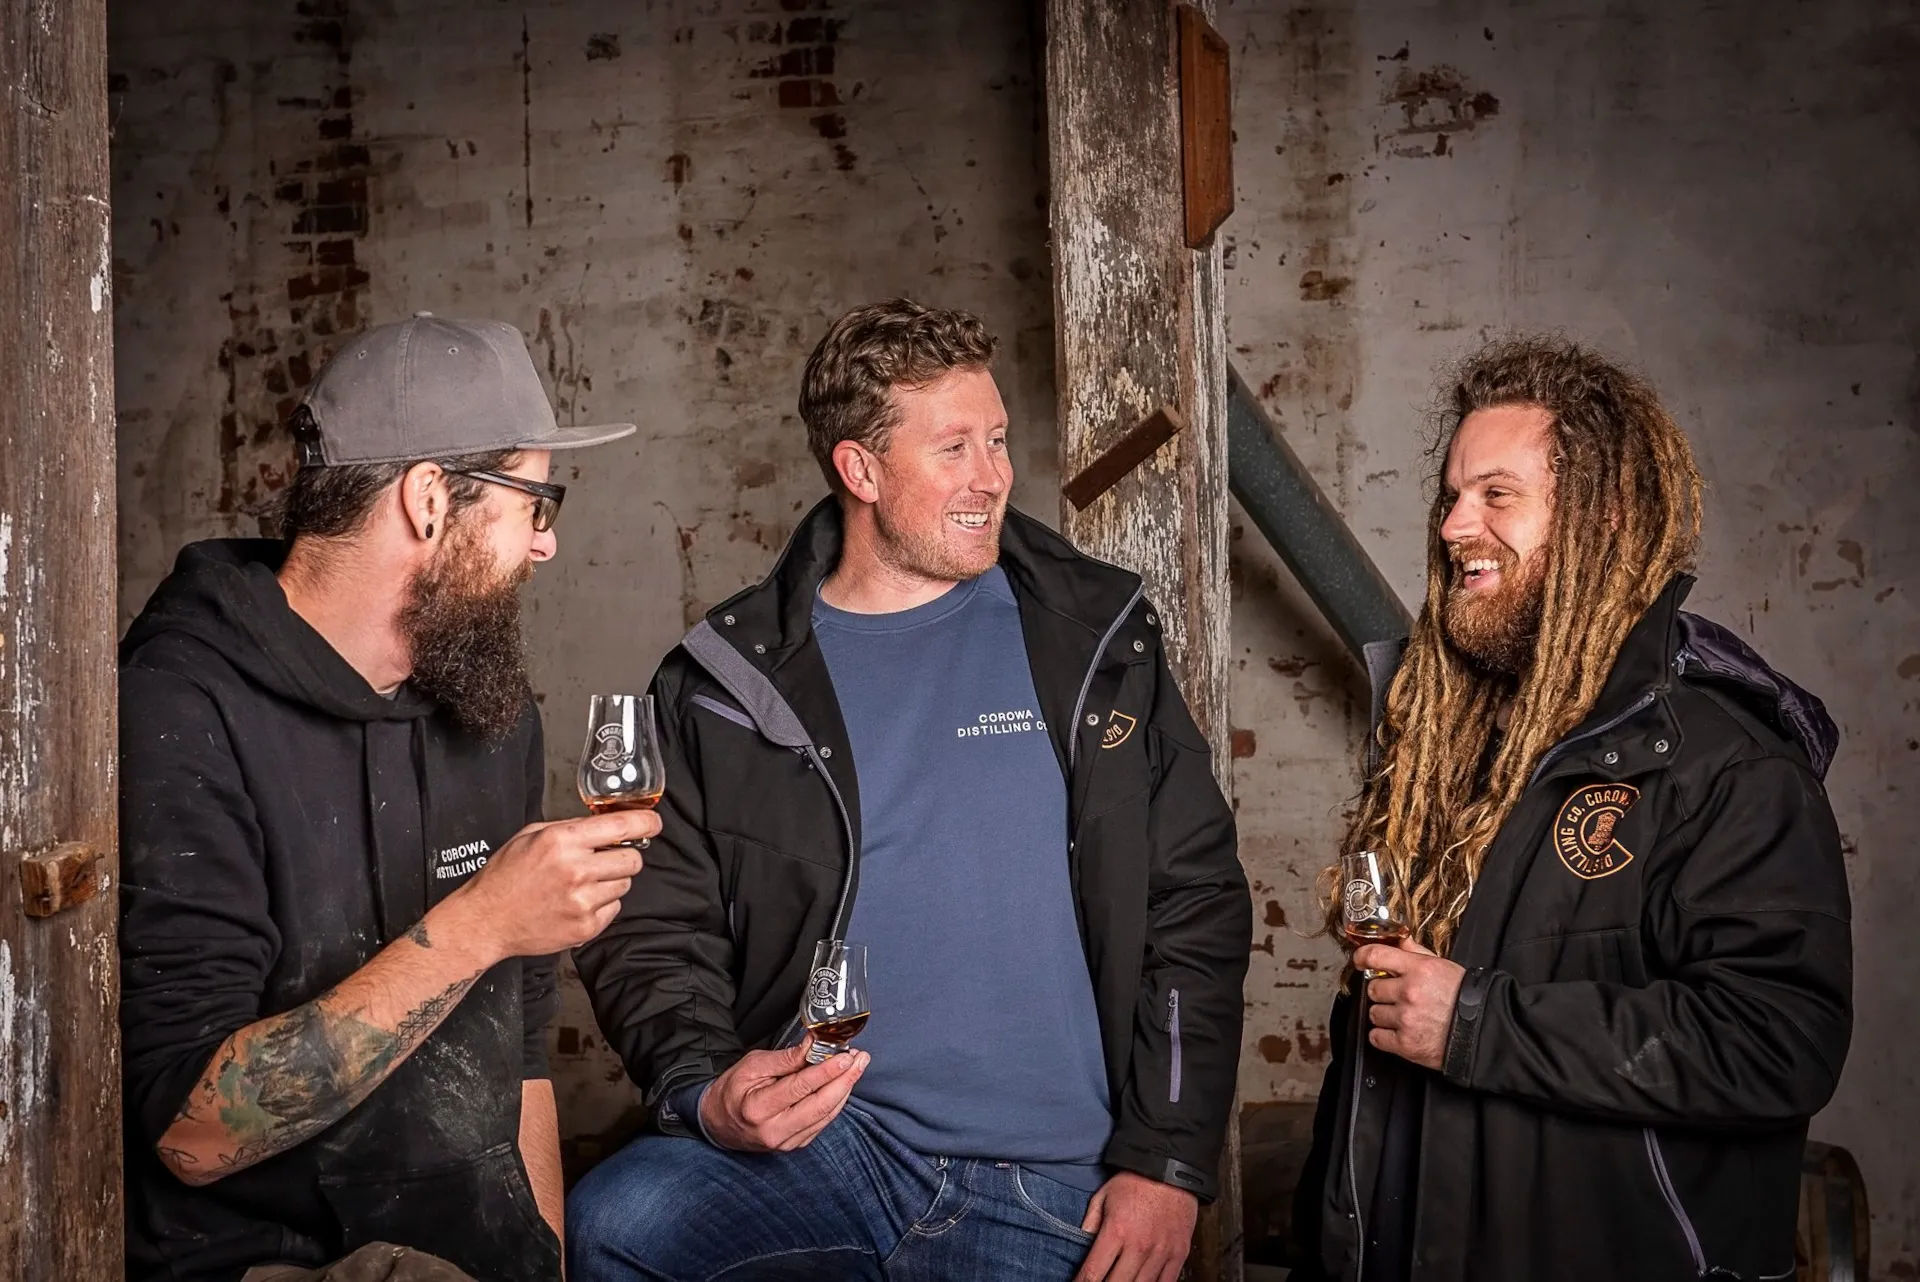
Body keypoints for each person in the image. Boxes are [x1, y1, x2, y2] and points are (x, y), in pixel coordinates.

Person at [567, 298, 1252, 1282]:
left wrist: (1169, 1161)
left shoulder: (1093, 639)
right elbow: (654, 924)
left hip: (1050, 1183)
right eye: (954, 449)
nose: (994, 476)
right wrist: (705, 1090)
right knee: (615, 1224)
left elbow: (1196, 900)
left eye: (997, 440)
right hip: (828, 1150)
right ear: (861, 469)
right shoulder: (724, 681)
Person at [1291, 336, 1853, 1282]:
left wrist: (1476, 1024)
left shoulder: (1726, 766)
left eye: (1496, 495)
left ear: (1605, 515)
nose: (1454, 525)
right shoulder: (1447, 747)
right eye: (1452, 495)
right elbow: (1375, 1068)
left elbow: (1777, 1043)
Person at [118, 315, 659, 1282]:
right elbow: (192, 1133)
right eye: (536, 503)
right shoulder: (179, 707)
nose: (547, 543)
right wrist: (483, 922)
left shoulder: (490, 708)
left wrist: (541, 1259)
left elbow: (520, 1050)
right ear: (428, 499)